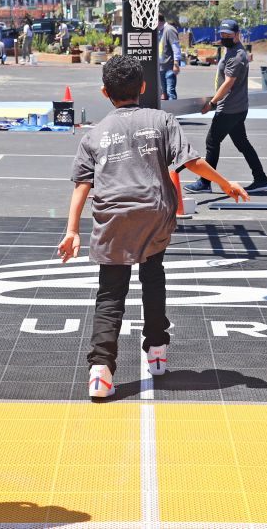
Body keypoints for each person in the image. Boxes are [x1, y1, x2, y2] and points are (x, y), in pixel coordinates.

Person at [58, 55, 249, 398]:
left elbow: (81, 186)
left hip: (113, 216)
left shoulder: (95, 134)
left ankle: (100, 371)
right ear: (143, 87)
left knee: (110, 294)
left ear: (105, 92)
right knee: (153, 277)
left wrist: (72, 231)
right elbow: (191, 161)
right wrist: (224, 183)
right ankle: (157, 350)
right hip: (154, 213)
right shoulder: (162, 120)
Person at [184, 19, 267, 194]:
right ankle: (261, 179)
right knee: (242, 144)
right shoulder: (232, 50)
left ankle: (205, 182)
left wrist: (212, 103)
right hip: (237, 108)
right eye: (222, 35)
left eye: (228, 35)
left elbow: (228, 83)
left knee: (212, 142)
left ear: (237, 35)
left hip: (229, 109)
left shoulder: (237, 55)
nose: (224, 38)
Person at [157, 13, 181, 100]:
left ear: (158, 21)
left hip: (169, 67)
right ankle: (166, 112)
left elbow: (176, 47)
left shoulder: (169, 30)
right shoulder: (160, 31)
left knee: (170, 92)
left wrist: (176, 64)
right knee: (164, 93)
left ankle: (173, 112)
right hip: (161, 67)